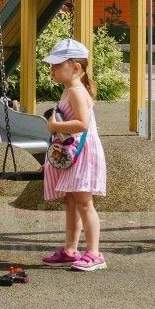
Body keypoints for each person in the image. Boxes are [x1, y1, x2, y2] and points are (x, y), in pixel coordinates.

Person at [39, 38, 107, 272]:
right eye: (52, 65)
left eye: (57, 65)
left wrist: (54, 126)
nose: (52, 70)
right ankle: (70, 249)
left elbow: (82, 124)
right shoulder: (69, 90)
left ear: (76, 68)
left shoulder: (76, 91)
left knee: (84, 203)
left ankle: (94, 253)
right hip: (74, 153)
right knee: (71, 201)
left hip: (83, 153)